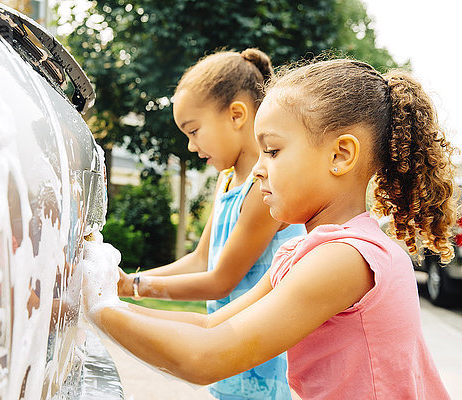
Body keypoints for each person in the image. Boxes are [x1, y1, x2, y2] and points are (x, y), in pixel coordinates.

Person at [81, 59, 456, 399]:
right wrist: (106, 299)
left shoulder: (346, 258)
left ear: (340, 155)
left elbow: (205, 357)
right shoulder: (301, 252)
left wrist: (98, 308)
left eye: (273, 151)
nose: (258, 168)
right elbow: (209, 324)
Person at [117, 48, 305, 400]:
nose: (190, 146)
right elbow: (200, 259)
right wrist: (130, 281)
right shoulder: (228, 180)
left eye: (194, 130)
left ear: (236, 115)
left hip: (261, 366)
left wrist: (132, 288)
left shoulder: (264, 192)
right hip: (230, 359)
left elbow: (220, 281)